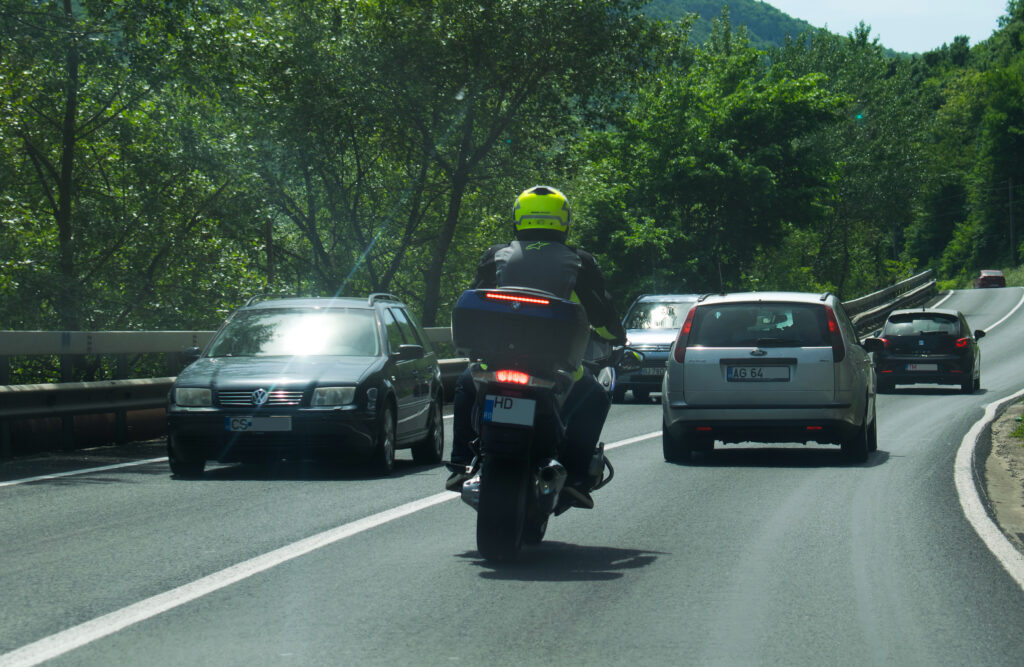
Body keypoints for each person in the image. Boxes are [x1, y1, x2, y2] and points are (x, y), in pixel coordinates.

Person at [445, 186, 627, 507]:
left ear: (518, 218)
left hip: (496, 358)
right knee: (595, 398)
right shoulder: (578, 261)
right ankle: (575, 477)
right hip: (553, 365)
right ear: (564, 221)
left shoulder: (496, 255)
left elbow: (472, 299)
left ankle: (461, 463)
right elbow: (602, 315)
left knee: (464, 384)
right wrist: (616, 338)